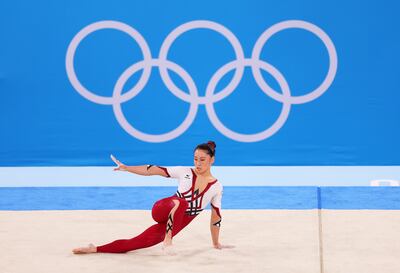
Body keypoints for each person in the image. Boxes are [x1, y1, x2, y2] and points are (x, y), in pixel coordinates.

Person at [72, 141, 232, 255]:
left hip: (176, 222)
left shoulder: (216, 187)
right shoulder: (185, 172)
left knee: (135, 243)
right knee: (181, 202)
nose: (198, 163)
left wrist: (216, 243)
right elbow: (152, 169)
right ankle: (168, 241)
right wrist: (127, 168)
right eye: (195, 159)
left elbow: (216, 218)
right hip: (162, 209)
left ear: (212, 160)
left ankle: (95, 248)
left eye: (202, 160)